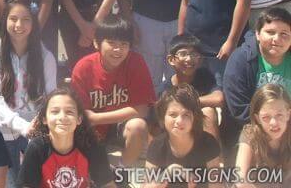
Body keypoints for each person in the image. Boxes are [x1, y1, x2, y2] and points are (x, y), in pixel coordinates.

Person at [0, 0, 57, 187]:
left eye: (25, 20)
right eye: (13, 19)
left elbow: (51, 96)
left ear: (33, 24)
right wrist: (23, 126)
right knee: (11, 184)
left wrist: (37, 124)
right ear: (4, 20)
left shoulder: (45, 56)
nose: (19, 25)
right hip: (3, 131)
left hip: (37, 129)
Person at [71, 15, 154, 167]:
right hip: (92, 129)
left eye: (124, 44)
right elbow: (82, 114)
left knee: (138, 126)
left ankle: (122, 169)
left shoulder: (136, 62)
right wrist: (92, 121)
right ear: (97, 43)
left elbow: (142, 110)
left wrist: (97, 118)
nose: (118, 49)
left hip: (120, 125)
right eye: (111, 43)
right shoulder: (83, 67)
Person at [18, 87, 115, 188]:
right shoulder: (37, 148)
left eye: (69, 112)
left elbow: (107, 184)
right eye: (55, 112)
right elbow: (26, 185)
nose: (62, 117)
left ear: (79, 119)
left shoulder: (92, 145)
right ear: (44, 119)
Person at [223, 7, 291, 132]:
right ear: (258, 34)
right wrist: (271, 128)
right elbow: (239, 108)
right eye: (270, 32)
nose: (276, 39)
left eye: (284, 34)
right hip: (251, 128)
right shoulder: (241, 59)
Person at [145, 85, 221, 188]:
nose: (179, 121)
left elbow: (216, 185)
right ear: (163, 118)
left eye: (186, 115)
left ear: (194, 118)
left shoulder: (208, 143)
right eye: (173, 115)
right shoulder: (157, 146)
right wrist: (170, 171)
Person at [157, 34, 223, 140]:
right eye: (183, 54)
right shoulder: (165, 88)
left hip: (200, 130)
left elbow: (218, 99)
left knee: (208, 113)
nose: (189, 59)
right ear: (171, 60)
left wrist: (184, 102)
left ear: (200, 59)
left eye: (194, 54)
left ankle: (216, 156)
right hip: (176, 135)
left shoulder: (204, 76)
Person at [235, 84, 291, 188]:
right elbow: (240, 180)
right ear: (257, 118)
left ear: (288, 114)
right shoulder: (250, 136)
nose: (274, 122)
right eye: (266, 117)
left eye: (279, 115)